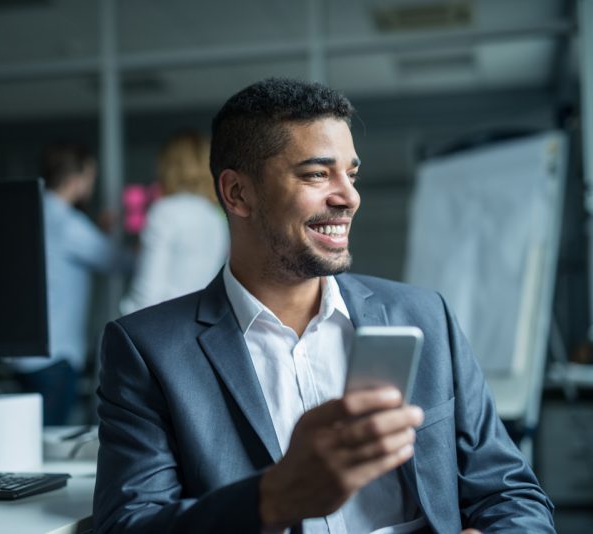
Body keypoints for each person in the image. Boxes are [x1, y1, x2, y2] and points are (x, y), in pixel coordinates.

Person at [93, 79, 555, 533]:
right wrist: (272, 499)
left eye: (350, 174)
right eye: (316, 174)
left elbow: (511, 495)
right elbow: (128, 525)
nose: (349, 197)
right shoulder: (146, 350)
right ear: (237, 193)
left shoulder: (425, 316)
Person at [12, 142, 132, 426]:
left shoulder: (28, 213)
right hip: (55, 356)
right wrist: (146, 244)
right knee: (49, 446)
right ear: (75, 179)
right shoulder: (68, 223)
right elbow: (116, 262)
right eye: (90, 177)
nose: (91, 184)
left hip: (23, 353)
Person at [119, 132, 229, 314]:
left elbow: (146, 294)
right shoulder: (215, 217)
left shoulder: (164, 211)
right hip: (198, 326)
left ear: (168, 167)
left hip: (160, 328)